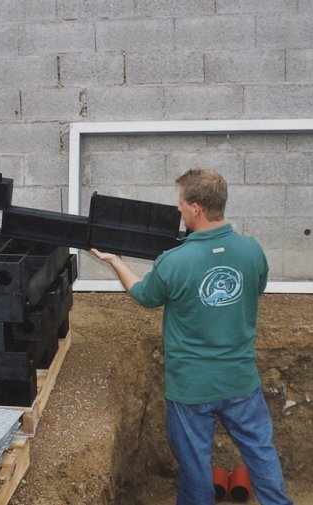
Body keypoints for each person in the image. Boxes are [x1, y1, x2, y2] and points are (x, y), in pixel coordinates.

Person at [90, 169, 292, 505]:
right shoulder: (252, 251)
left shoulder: (174, 261)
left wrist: (115, 261)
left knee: (195, 465)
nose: (178, 209)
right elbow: (255, 288)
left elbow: (144, 295)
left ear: (196, 208)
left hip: (191, 387)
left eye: (181, 203)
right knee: (260, 452)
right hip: (240, 380)